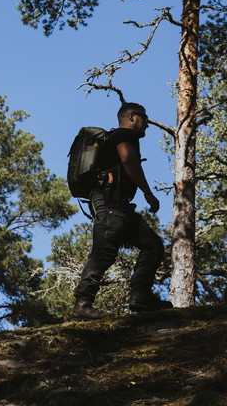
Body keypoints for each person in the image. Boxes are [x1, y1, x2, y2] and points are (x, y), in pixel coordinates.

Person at [71, 102, 171, 320]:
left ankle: (140, 296)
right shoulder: (124, 135)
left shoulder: (117, 136)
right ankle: (82, 305)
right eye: (145, 118)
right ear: (132, 117)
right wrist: (147, 192)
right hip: (109, 203)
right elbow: (128, 160)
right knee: (103, 253)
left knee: (152, 245)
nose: (147, 125)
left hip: (119, 205)